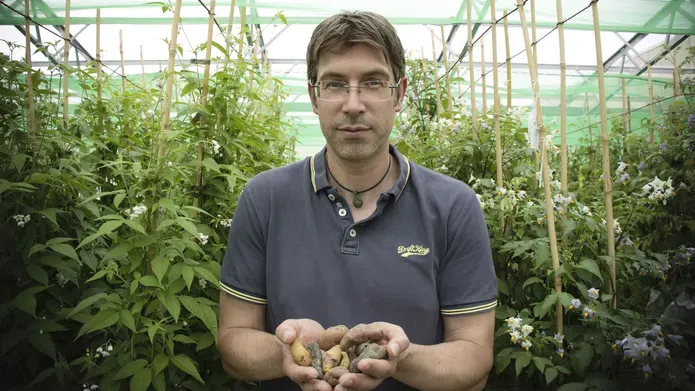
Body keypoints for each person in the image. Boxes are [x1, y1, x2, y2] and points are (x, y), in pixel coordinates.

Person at [216, 10, 499, 391]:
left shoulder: (453, 206)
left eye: (372, 82)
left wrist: (400, 358)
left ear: (399, 94)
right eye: (334, 84)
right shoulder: (264, 198)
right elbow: (233, 341)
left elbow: (475, 357)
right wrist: (286, 355)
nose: (353, 103)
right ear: (314, 96)